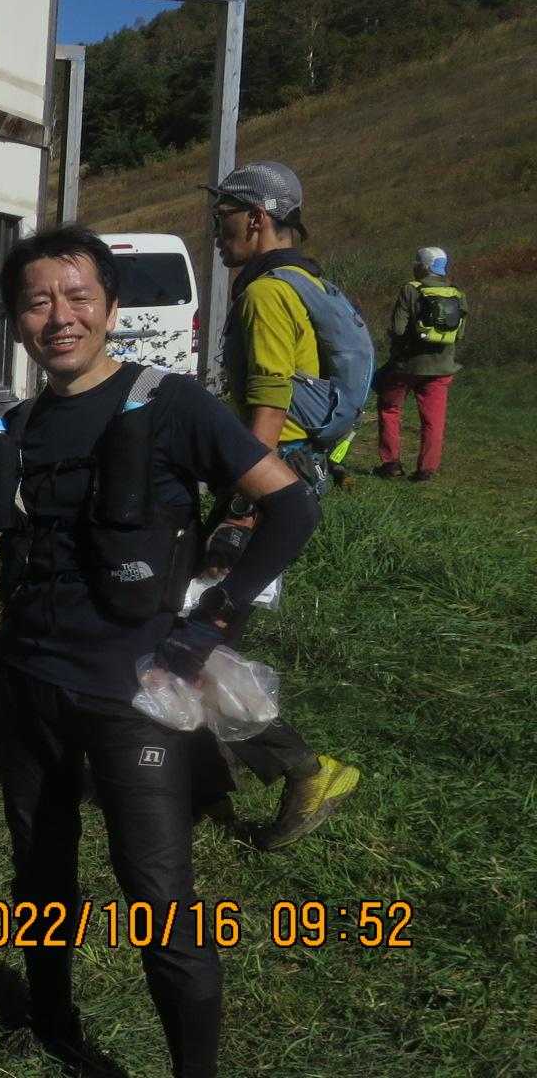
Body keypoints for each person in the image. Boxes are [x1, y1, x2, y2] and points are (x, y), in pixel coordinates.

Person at [0, 225, 321, 1077]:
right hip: (27, 683)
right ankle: (52, 1022)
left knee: (160, 899)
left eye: (78, 297)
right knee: (39, 870)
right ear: (17, 320)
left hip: (136, 690)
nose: (59, 317)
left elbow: (291, 507)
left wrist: (213, 621)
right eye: (37, 302)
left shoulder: (170, 404)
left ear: (110, 308)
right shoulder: (20, 423)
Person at [203, 161, 362, 850]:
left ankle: (306, 771)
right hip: (290, 476)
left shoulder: (267, 293)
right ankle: (208, 772)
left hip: (266, 484)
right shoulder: (308, 280)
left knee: (199, 640)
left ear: (257, 218)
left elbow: (269, 402)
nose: (217, 232)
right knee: (206, 635)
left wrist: (242, 503)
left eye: (223, 218)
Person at [374, 246, 466, 481]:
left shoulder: (411, 289)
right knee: (433, 421)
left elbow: (398, 329)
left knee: (390, 409)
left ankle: (391, 464)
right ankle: (426, 470)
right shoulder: (457, 293)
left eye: (416, 264)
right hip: (442, 368)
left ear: (423, 266)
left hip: (407, 366)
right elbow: (460, 334)